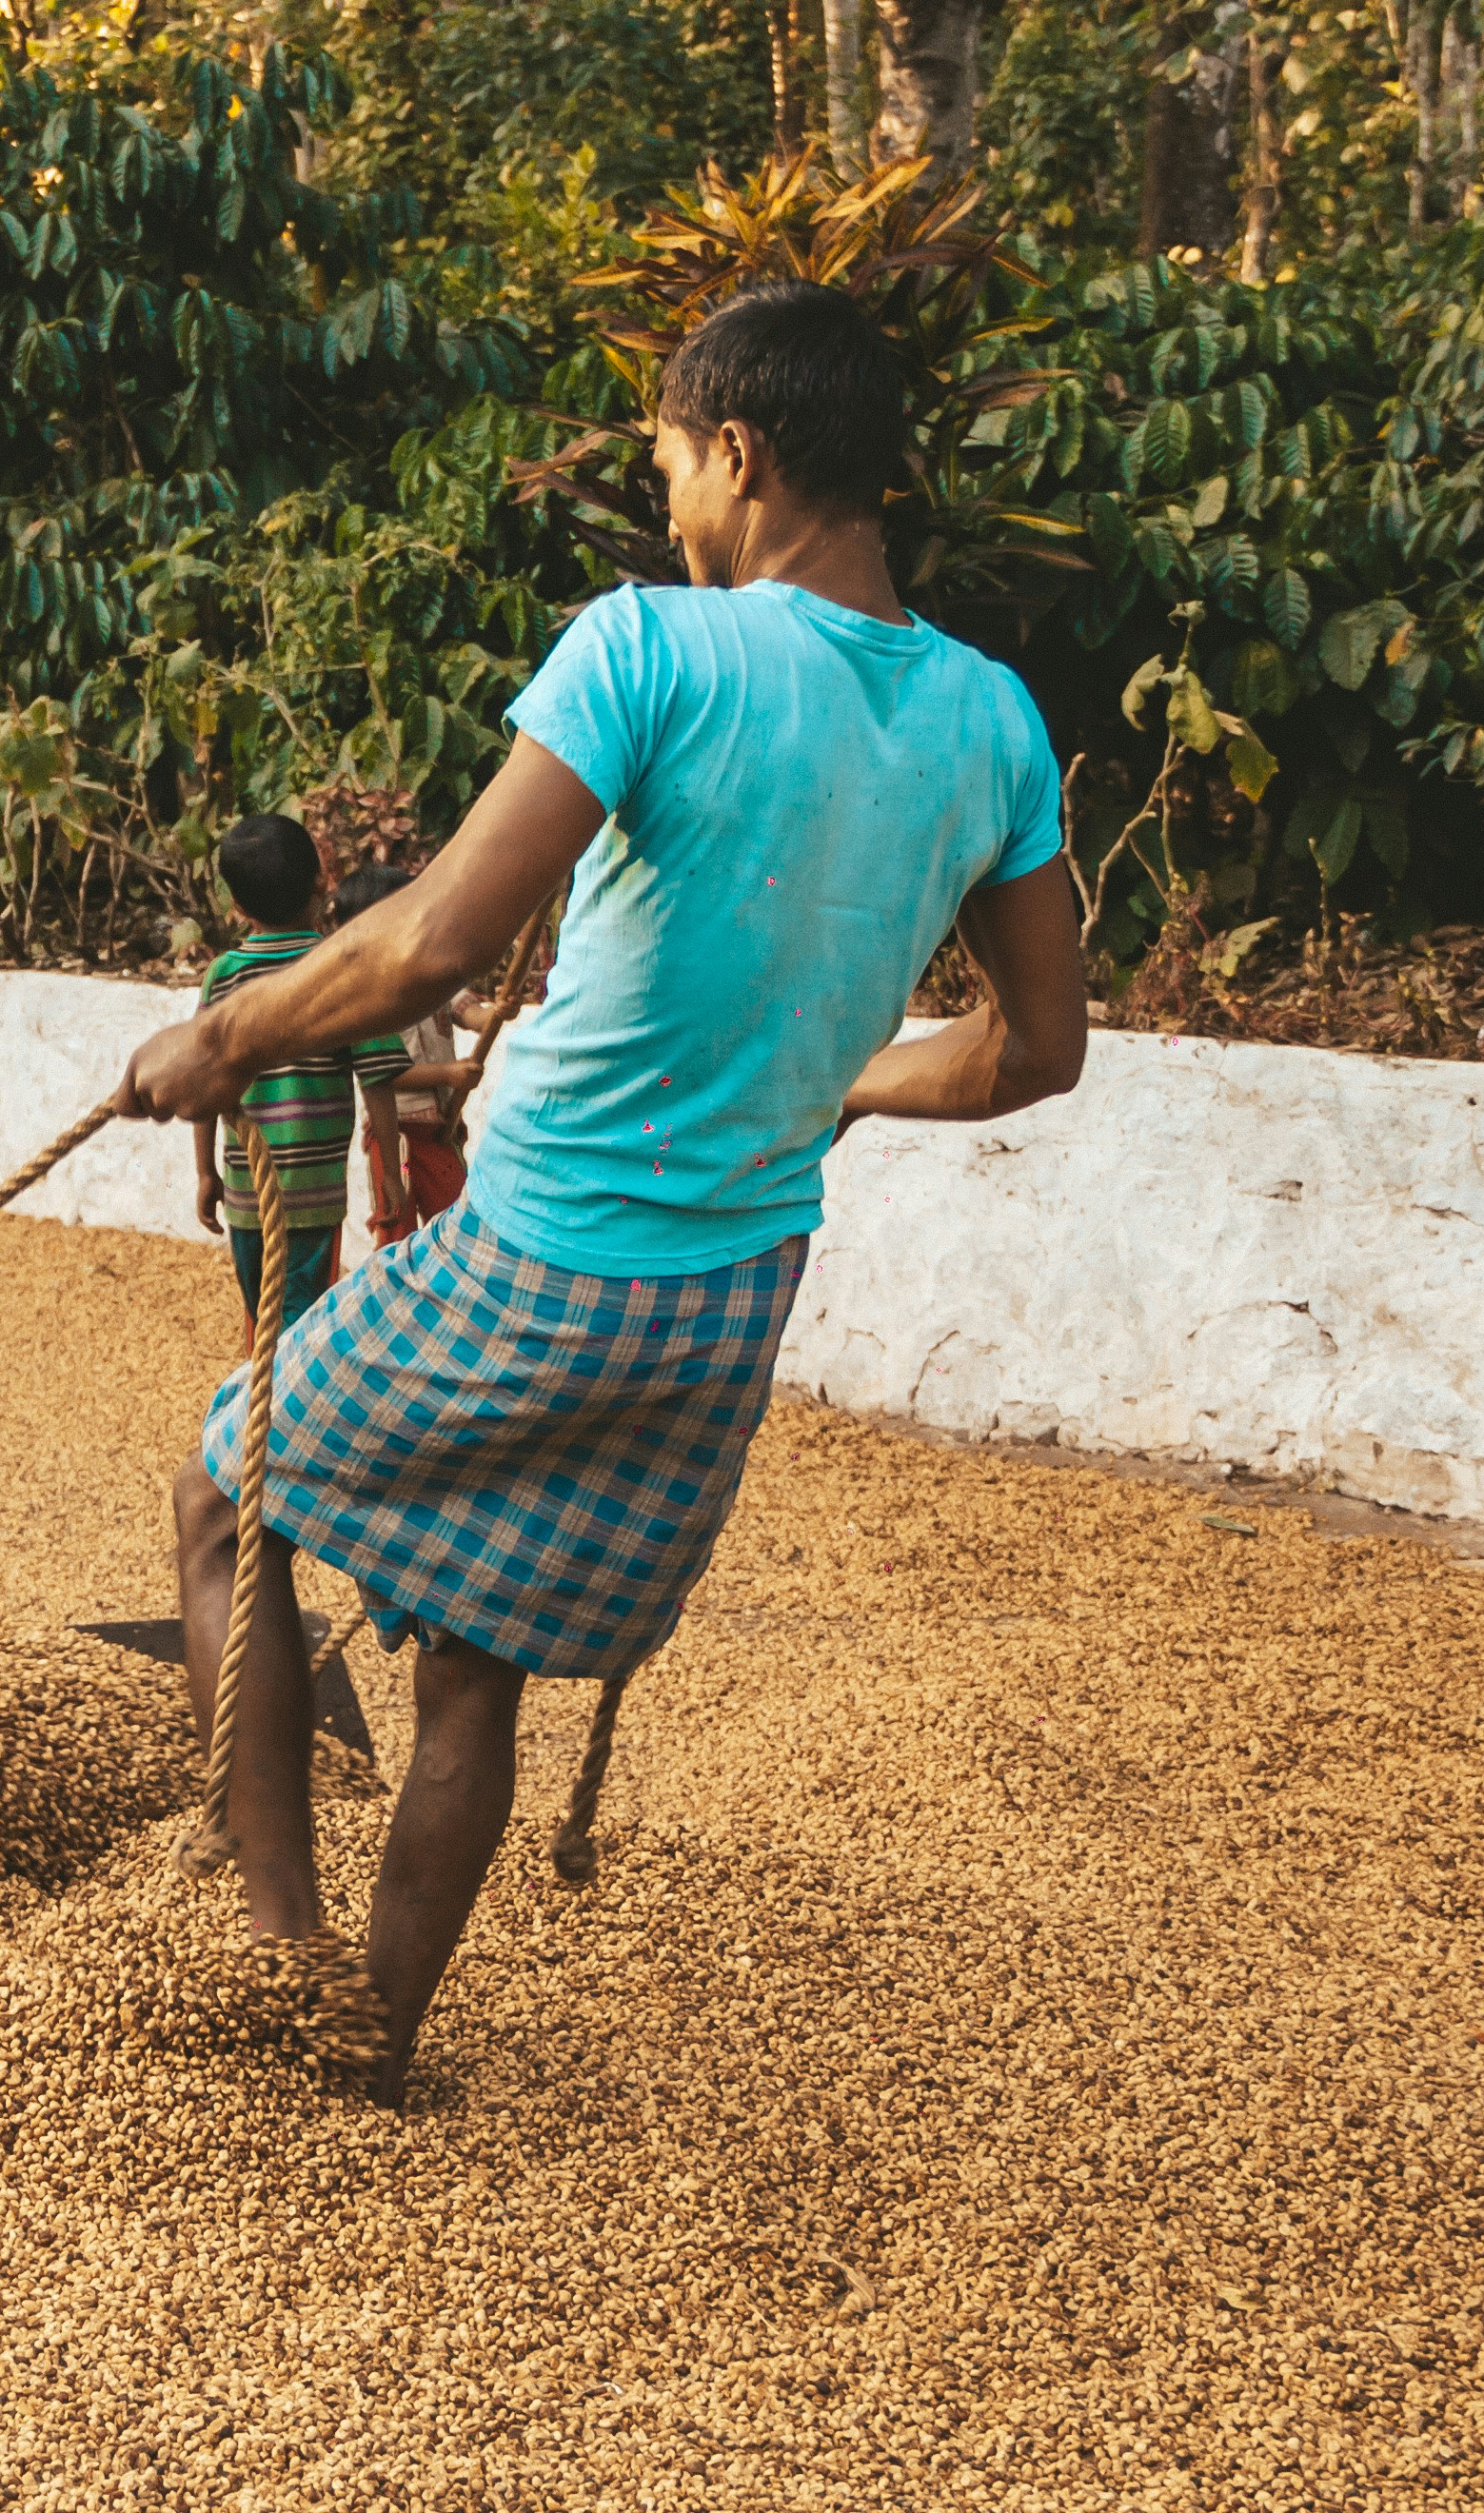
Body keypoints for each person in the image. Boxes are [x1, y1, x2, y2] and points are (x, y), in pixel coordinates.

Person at [118, 278, 1091, 2104]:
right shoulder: (992, 723)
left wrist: (229, 1038)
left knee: (212, 1496)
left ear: (739, 453)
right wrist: (831, 1086)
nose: (663, 506)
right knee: (471, 1671)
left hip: (543, 1252)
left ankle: (277, 1959)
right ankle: (371, 2051)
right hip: (725, 1298)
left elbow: (426, 944)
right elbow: (1033, 1051)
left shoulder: (649, 646)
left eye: (667, 461)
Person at [190, 817, 408, 1323]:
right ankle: (284, 1399)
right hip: (316, 1196)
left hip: (246, 1192)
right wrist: (392, 1179)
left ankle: (266, 1398)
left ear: (238, 907)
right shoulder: (339, 969)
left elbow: (201, 1080)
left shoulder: (223, 976)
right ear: (322, 882)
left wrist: (205, 1172)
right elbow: (377, 1077)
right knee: (300, 1319)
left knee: (265, 1313)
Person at [322, 864, 486, 1244]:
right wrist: (447, 1075)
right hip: (395, 1133)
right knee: (395, 1224)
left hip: (441, 1131)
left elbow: (466, 1011)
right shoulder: (366, 995)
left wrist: (494, 1015)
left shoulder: (436, 977)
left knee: (454, 1226)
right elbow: (381, 1074)